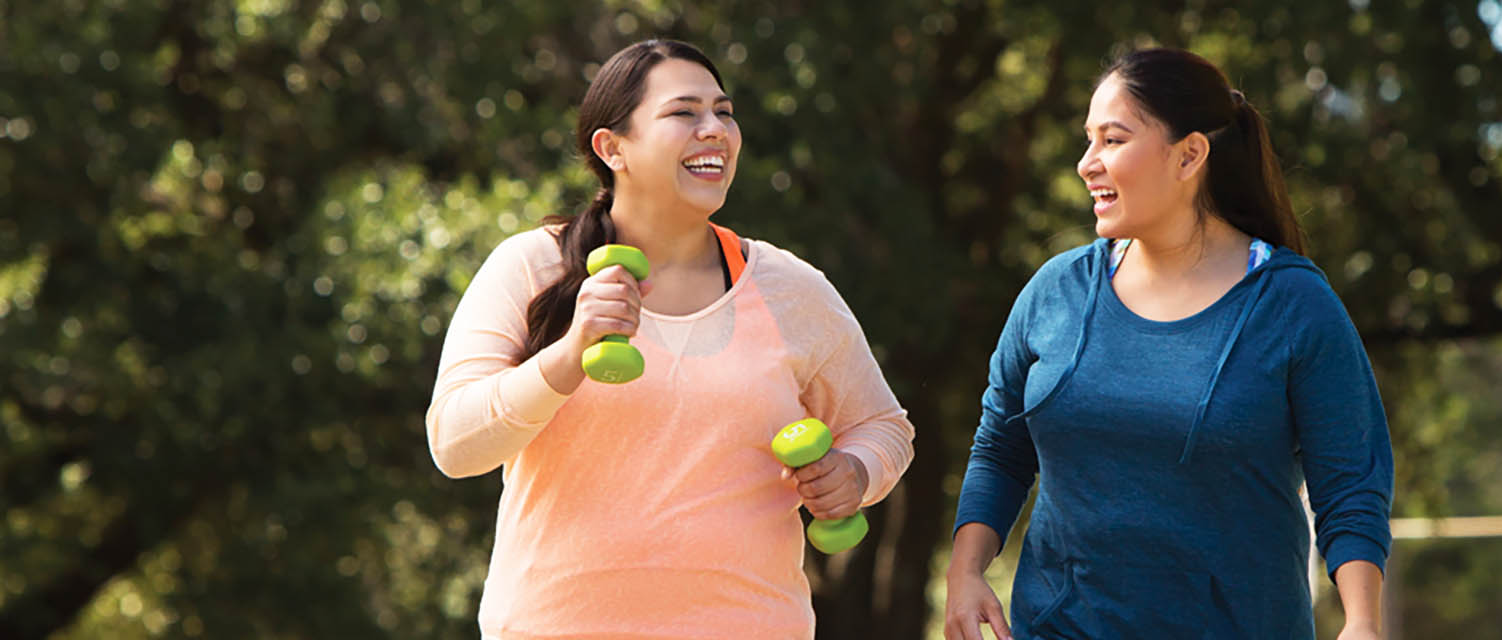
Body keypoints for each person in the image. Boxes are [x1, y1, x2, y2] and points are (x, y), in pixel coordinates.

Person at [425, 39, 913, 639]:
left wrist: (856, 472)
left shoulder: (791, 288)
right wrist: (569, 355)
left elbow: (884, 427)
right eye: (684, 112)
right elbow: (454, 443)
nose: (715, 130)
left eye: (725, 112)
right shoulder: (533, 267)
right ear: (612, 148)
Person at [944, 48, 1393, 640]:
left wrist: (1362, 621)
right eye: (1088, 140)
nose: (1087, 163)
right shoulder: (1055, 291)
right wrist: (965, 571)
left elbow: (1350, 483)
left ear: (1189, 156)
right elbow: (1001, 450)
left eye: (1113, 140)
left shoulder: (1293, 305)